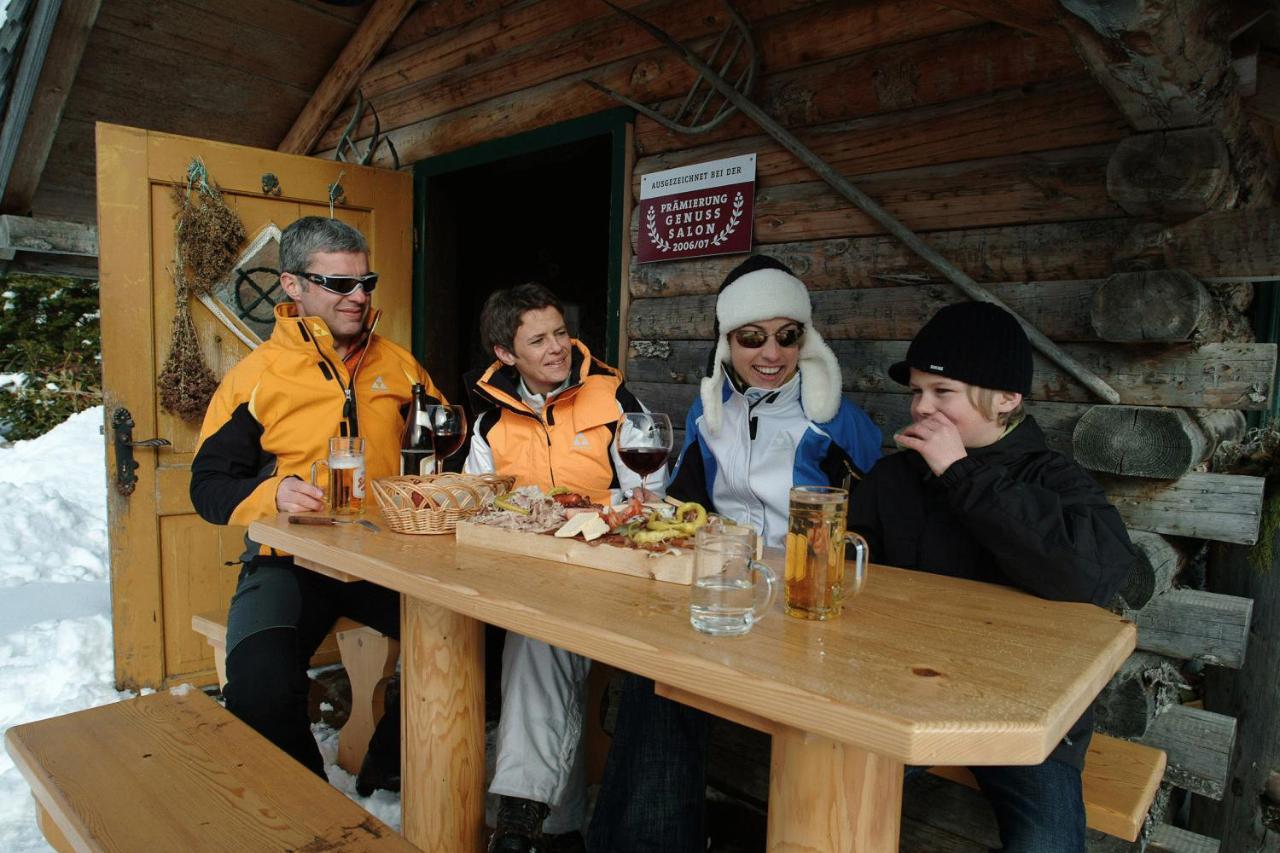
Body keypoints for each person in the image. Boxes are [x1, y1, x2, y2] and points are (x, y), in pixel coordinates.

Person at [586, 254, 883, 853]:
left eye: (786, 336)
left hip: (798, 606)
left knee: (664, 686)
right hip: (724, 587)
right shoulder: (709, 408)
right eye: (751, 338)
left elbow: (880, 522)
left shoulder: (833, 421)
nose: (770, 354)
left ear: (807, 338)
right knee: (652, 674)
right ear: (726, 340)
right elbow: (687, 501)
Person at [847, 301, 1137, 852]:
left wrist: (959, 472)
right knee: (840, 802)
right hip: (900, 695)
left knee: (1045, 843)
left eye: (942, 391)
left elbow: (1090, 577)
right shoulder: (893, 475)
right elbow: (851, 570)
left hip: (1022, 715)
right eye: (917, 391)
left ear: (1006, 399)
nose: (921, 406)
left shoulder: (1054, 477)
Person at [189, 216, 446, 796]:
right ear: (293, 286)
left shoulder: (401, 366)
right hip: (289, 561)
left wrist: (435, 441)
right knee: (257, 688)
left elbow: (446, 443)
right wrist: (270, 493)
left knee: (491, 644)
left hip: (390, 559)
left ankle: (391, 756)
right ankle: (313, 810)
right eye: (338, 284)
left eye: (365, 282)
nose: (358, 297)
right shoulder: (256, 379)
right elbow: (206, 486)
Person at [463, 283, 665, 853]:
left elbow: (649, 497)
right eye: (538, 340)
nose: (558, 348)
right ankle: (558, 827)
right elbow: (482, 506)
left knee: (538, 638)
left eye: (560, 332)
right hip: (522, 574)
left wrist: (613, 515)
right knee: (529, 630)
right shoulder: (488, 422)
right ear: (506, 354)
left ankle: (523, 812)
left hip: (606, 571)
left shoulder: (613, 400)